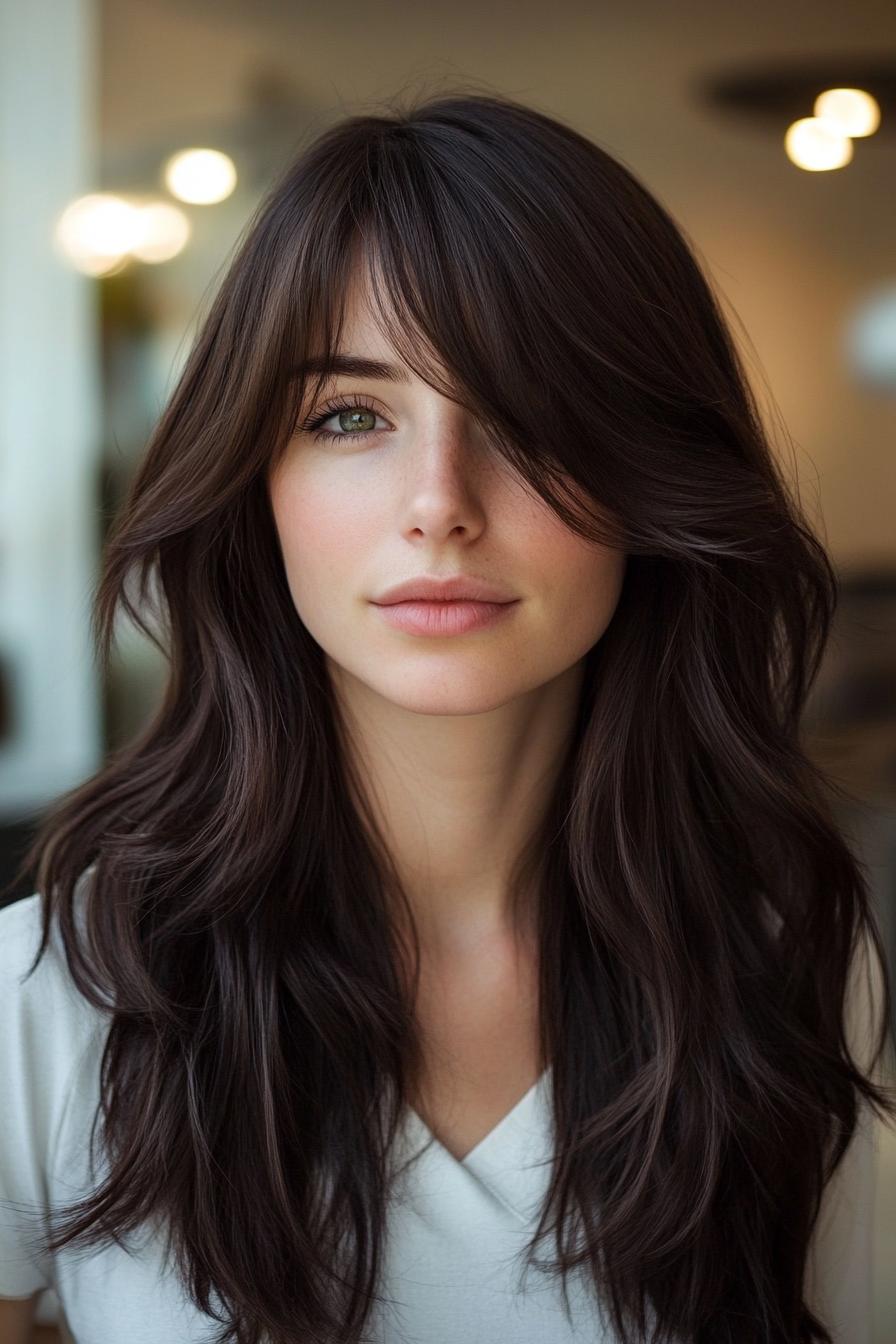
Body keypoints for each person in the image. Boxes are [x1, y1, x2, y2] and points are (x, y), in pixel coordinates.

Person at [1, 88, 893, 1344]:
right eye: (349, 416)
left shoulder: (786, 961)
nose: (438, 503)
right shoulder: (45, 1000)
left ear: (649, 476)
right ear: (256, 485)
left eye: (528, 419)